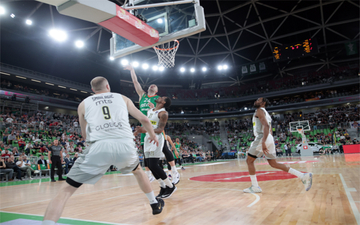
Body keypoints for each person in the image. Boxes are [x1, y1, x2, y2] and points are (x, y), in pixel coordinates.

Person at [42, 77, 164, 225]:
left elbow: (84, 133)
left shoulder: (83, 104)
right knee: (138, 171)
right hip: (124, 145)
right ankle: (153, 203)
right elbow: (144, 119)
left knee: (66, 190)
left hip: (98, 146)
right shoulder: (122, 98)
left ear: (93, 90)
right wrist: (153, 136)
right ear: (108, 86)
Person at [243, 97, 313, 193]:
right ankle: (302, 175)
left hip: (262, 137)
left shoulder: (259, 110)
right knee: (273, 163)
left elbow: (266, 126)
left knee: (249, 161)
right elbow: (269, 128)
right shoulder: (266, 113)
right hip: (270, 138)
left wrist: (263, 141)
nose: (256, 101)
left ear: (263, 103)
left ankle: (255, 186)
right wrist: (268, 141)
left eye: (258, 100)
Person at [125, 65, 179, 184]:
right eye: (151, 85)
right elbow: (135, 82)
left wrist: (154, 108)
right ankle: (150, 174)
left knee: (164, 148)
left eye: (155, 86)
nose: (153, 85)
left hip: (155, 126)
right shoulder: (142, 95)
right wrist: (132, 70)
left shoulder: (158, 99)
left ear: (157, 91)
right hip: (145, 127)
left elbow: (160, 111)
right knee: (147, 152)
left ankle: (174, 171)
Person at [135, 96, 177, 199]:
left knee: (154, 165)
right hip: (148, 139)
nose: (160, 97)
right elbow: (148, 126)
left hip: (157, 139)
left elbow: (160, 129)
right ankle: (163, 187)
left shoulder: (163, 114)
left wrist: (146, 130)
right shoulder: (150, 111)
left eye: (162, 97)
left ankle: (170, 186)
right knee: (149, 164)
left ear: (163, 102)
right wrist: (139, 131)